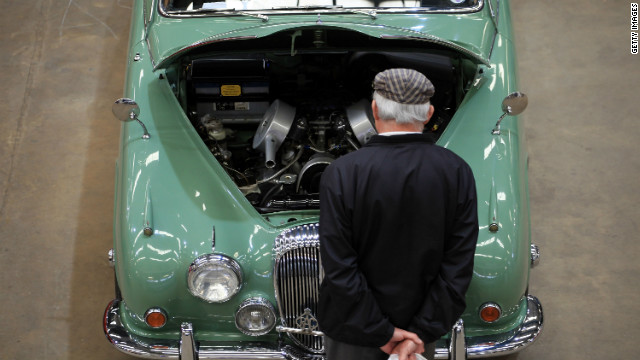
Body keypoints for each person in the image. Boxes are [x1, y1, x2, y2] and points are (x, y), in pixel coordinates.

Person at [317, 68, 479, 360]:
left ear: (374, 109)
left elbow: (340, 266)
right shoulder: (457, 171)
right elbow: (458, 264)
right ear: (428, 114)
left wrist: (381, 332)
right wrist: (420, 332)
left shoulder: (341, 173)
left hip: (353, 333)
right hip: (417, 334)